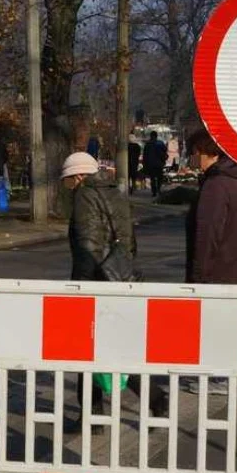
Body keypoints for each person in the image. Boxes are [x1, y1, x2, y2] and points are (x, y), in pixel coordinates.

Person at [61, 152, 166, 422]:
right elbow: (129, 238)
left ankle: (153, 397)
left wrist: (80, 287)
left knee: (92, 350)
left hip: (96, 280)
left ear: (78, 175)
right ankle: (91, 415)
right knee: (103, 348)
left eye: (68, 180)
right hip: (118, 276)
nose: (68, 186)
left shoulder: (85, 195)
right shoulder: (114, 192)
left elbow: (89, 244)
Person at [185, 128, 237, 395]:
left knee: (218, 324)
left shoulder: (216, 185)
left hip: (221, 269)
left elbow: (207, 233)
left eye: (194, 153)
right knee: (233, 324)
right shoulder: (233, 179)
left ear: (205, 152)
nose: (192, 158)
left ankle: (225, 377)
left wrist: (198, 275)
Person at [142, 130, 168, 197]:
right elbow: (165, 151)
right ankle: (158, 189)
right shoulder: (160, 143)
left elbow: (145, 155)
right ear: (156, 136)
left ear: (151, 136)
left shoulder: (148, 144)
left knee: (152, 178)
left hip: (151, 164)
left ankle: (154, 192)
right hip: (159, 164)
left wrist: (144, 164)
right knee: (159, 178)